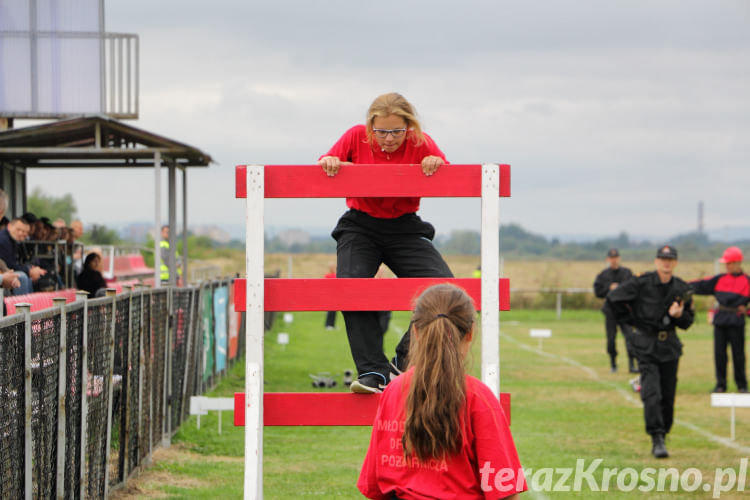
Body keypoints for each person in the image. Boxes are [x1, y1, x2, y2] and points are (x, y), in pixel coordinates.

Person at [319, 92, 454, 394]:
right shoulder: (356, 137)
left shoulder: (420, 141)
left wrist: (435, 162)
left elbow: (446, 172)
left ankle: (402, 362)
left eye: (396, 131)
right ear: (371, 126)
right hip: (360, 225)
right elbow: (328, 160)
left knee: (446, 291)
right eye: (381, 131)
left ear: (409, 126)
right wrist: (329, 160)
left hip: (404, 226)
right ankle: (372, 373)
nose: (389, 138)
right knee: (350, 285)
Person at [358, 284, 526, 499]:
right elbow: (505, 491)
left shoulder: (394, 390)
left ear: (416, 333)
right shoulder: (477, 397)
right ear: (470, 333)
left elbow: (375, 486)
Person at [607, 245, 694, 458]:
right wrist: (632, 322)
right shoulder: (641, 283)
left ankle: (664, 431)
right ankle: (657, 437)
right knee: (651, 393)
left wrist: (679, 315)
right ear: (656, 261)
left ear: (675, 263)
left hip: (669, 347)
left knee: (668, 395)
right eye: (663, 259)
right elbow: (614, 298)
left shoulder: (681, 289)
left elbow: (687, 322)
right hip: (646, 346)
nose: (666, 263)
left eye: (670, 259)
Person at [690, 246, 749, 394]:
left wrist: (747, 311)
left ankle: (742, 385)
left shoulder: (747, 281)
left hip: (736, 323)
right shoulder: (719, 279)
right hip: (721, 321)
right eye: (726, 263)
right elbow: (700, 285)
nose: (726, 266)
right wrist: (680, 285)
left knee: (738, 355)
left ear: (737, 263)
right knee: (719, 355)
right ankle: (721, 384)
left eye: (729, 263)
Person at [593, 248, 636, 373]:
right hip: (611, 311)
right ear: (608, 259)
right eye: (612, 258)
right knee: (611, 339)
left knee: (630, 338)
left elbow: (633, 289)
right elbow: (598, 292)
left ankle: (632, 365)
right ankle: (613, 364)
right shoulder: (603, 275)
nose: (614, 260)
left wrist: (621, 288)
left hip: (625, 312)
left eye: (616, 257)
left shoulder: (627, 273)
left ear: (619, 258)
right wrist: (609, 288)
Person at [0, 217, 47, 295]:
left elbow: (19, 262)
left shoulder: (14, 240)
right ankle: (20, 305)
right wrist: (29, 271)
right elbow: (9, 265)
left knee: (28, 277)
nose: (21, 233)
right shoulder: (3, 240)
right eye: (18, 230)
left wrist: (31, 269)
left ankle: (30, 302)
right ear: (9, 226)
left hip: (7, 270)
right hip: (4, 272)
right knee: (22, 277)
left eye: (25, 232)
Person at [324, 263, 337, 330]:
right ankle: (328, 325)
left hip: (335, 296)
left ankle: (332, 325)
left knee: (334, 312)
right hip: (329, 296)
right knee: (329, 311)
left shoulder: (336, 275)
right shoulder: (327, 276)